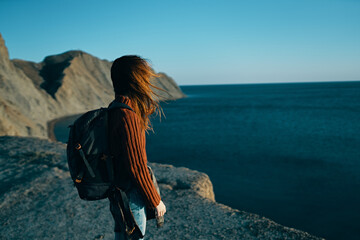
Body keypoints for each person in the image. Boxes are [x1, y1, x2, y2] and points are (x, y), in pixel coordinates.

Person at [107, 55, 167, 240]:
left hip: (117, 192)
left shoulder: (114, 108)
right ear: (136, 80)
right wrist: (155, 201)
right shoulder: (127, 115)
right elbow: (137, 167)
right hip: (131, 197)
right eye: (145, 76)